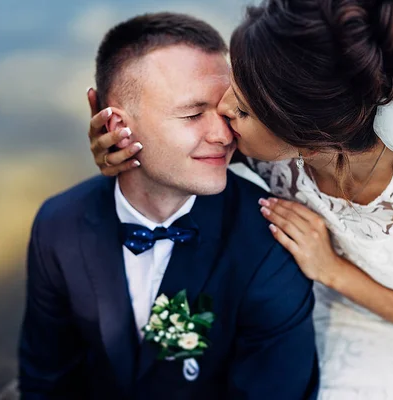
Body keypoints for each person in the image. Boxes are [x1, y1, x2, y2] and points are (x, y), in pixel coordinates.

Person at [90, 1, 393, 398]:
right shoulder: (266, 136)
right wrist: (128, 152)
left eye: (246, 111)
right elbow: (174, 157)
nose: (223, 108)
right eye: (236, 80)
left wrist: (330, 267)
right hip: (305, 308)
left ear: (307, 143)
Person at [18, 12, 319, 400]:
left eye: (229, 110)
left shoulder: (270, 243)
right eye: (193, 114)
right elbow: (45, 377)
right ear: (113, 127)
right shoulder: (58, 224)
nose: (223, 134)